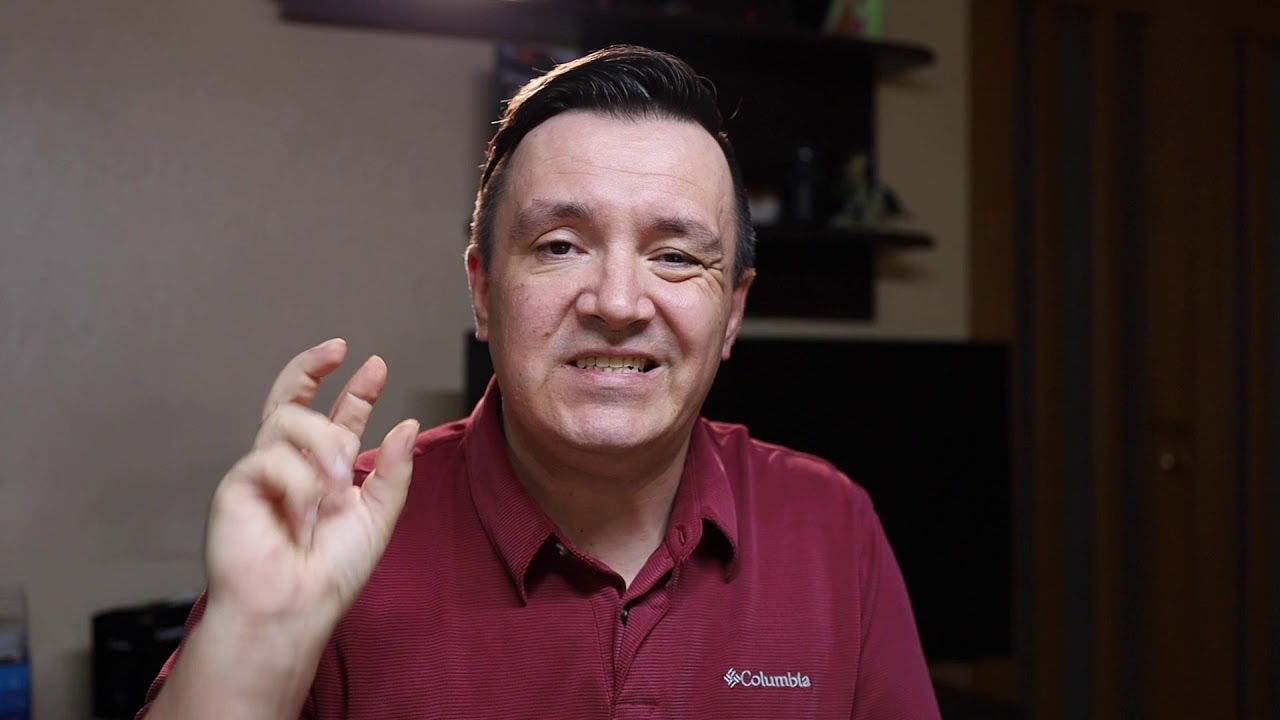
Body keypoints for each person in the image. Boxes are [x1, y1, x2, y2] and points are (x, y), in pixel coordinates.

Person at [139, 45, 940, 719]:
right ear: (483, 291)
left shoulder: (831, 525)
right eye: (560, 246)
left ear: (732, 312)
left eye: (674, 256)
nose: (618, 304)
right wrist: (252, 649)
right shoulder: (332, 533)